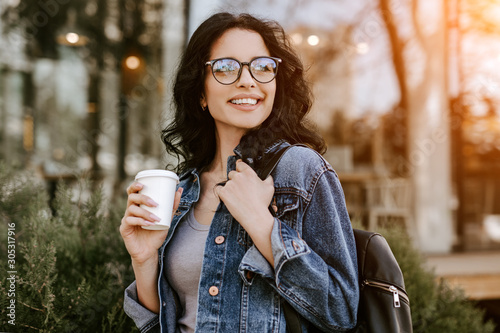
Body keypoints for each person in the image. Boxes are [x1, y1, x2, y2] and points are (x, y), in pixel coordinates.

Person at [121, 12, 359, 333]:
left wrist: (262, 225)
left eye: (262, 67)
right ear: (201, 94)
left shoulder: (300, 170)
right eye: (226, 68)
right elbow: (162, 324)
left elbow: (341, 310)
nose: (248, 80)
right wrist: (144, 259)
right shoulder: (186, 186)